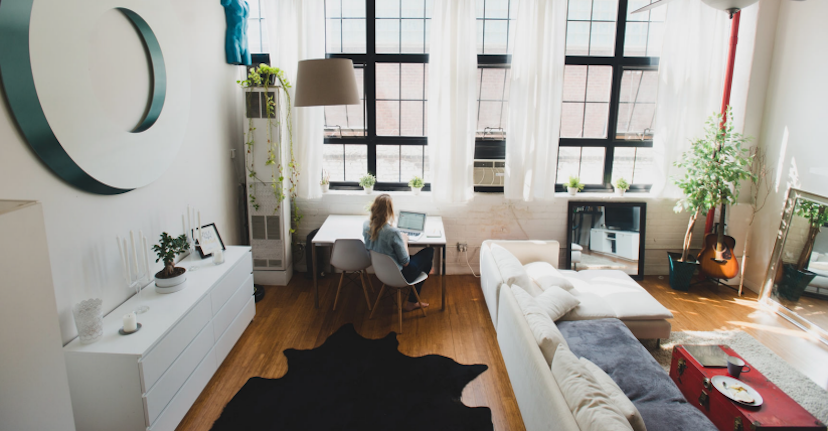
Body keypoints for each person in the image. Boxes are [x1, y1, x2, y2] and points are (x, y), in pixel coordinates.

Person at [363, 194, 433, 311]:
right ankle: (412, 301)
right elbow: (405, 262)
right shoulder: (392, 232)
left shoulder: (366, 225)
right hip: (400, 274)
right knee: (429, 251)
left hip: (380, 271)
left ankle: (425, 273)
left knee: (424, 262)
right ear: (390, 211)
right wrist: (404, 240)